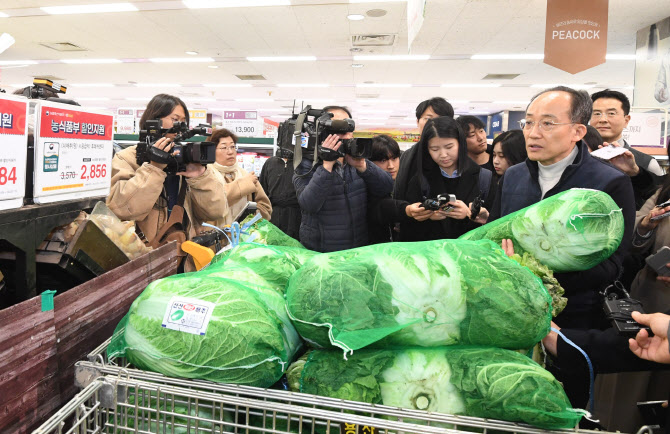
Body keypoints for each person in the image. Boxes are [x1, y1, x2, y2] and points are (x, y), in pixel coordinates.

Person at [492, 86, 635, 330]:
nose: (533, 133)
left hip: (575, 315)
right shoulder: (513, 176)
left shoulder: (609, 182)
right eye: (528, 123)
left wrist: (539, 278)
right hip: (512, 306)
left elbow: (613, 263)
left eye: (547, 124)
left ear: (577, 131)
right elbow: (492, 233)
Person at [107, 94, 228, 253]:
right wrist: (154, 168)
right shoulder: (127, 158)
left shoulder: (187, 158)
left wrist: (201, 177)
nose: (181, 125)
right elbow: (122, 209)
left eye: (183, 121)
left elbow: (216, 211)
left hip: (184, 253)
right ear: (155, 119)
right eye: (175, 119)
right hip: (144, 254)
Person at [293, 106, 394, 252]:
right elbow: (309, 204)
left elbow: (386, 187)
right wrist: (327, 165)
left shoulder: (356, 158)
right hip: (321, 251)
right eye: (339, 130)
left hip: (357, 248)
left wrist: (363, 166)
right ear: (322, 132)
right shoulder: (306, 164)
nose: (346, 136)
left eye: (348, 130)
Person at [395, 116, 492, 241]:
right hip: (431, 253)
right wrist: (425, 215)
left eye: (449, 147)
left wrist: (471, 215)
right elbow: (408, 229)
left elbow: (495, 223)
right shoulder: (419, 179)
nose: (443, 155)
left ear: (460, 143)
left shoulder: (483, 178)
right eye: (434, 149)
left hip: (468, 254)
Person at [590, 89, 664, 209]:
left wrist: (635, 173)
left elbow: (658, 200)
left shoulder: (647, 162)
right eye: (597, 113)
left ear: (626, 120)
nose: (602, 119)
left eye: (611, 113)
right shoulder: (575, 156)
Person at [207, 128, 272, 230]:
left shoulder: (245, 174)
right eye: (224, 148)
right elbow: (212, 202)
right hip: (214, 240)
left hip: (243, 239)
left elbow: (266, 208)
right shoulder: (206, 175)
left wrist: (250, 217)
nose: (230, 152)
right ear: (211, 150)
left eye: (232, 147)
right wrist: (243, 185)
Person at [395, 97, 454, 204]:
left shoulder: (457, 155)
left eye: (441, 119)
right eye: (428, 119)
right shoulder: (407, 155)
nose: (434, 124)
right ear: (418, 122)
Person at [367, 134, 403, 244]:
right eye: (383, 160)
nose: (391, 166)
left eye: (394, 158)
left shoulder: (406, 182)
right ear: (370, 163)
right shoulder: (365, 188)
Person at [259, 148, 300, 240]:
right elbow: (262, 192)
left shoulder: (302, 164)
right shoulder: (270, 163)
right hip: (273, 216)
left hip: (297, 217)